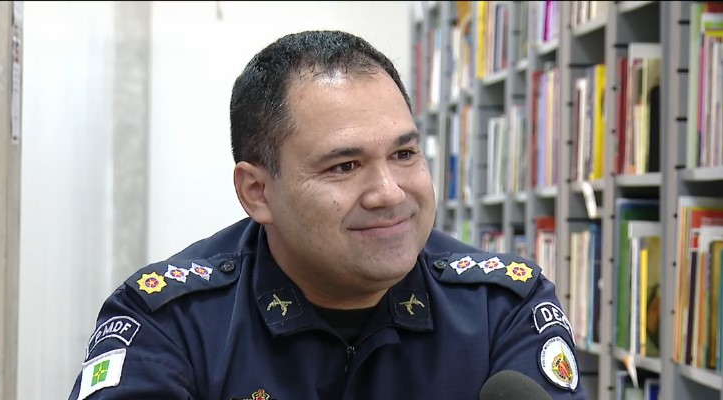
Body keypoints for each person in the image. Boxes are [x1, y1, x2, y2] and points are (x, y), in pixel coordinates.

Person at [69, 30, 586, 400]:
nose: (389, 192)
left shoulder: (503, 309)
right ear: (257, 192)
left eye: (404, 154)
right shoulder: (170, 322)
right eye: (345, 166)